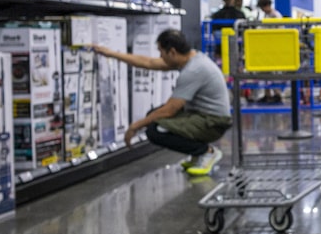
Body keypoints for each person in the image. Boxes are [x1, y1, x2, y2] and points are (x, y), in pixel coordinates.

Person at [92, 29, 232, 176]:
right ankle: (198, 154)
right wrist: (111, 53)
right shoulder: (191, 58)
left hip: (214, 123)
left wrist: (135, 126)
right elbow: (148, 62)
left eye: (161, 52)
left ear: (172, 52)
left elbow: (170, 110)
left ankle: (206, 152)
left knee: (155, 131)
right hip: (202, 115)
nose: (160, 57)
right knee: (153, 115)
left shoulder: (193, 70)